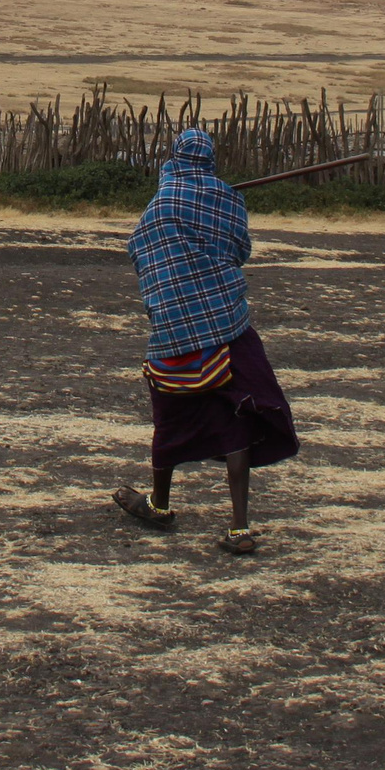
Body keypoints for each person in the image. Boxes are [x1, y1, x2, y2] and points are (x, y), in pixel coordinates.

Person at [116, 126, 298, 555]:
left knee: (170, 415)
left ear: (175, 157)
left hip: (175, 326)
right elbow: (240, 250)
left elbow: (139, 248)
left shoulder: (163, 203)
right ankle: (239, 527)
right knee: (236, 417)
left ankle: (159, 505)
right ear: (210, 159)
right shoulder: (227, 198)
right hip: (227, 321)